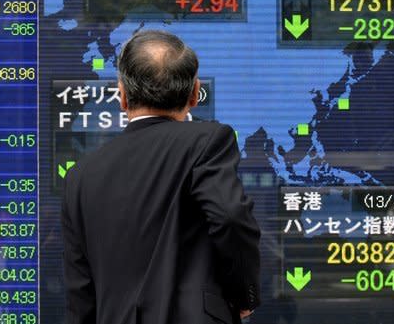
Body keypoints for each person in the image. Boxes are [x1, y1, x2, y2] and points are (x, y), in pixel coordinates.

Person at [61, 30, 261, 324]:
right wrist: (245, 296)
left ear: (122, 96)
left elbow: (80, 292)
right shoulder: (208, 141)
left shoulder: (81, 176)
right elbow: (230, 217)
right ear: (195, 94)